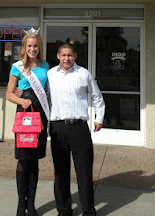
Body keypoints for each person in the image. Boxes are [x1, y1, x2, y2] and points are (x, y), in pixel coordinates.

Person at [47, 43, 105, 216]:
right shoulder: (50, 75)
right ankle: (64, 210)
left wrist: (99, 119)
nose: (66, 58)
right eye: (63, 55)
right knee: (60, 172)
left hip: (79, 128)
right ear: (58, 56)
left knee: (84, 172)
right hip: (58, 129)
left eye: (70, 55)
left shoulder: (83, 73)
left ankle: (88, 211)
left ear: (75, 56)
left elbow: (97, 97)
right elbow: (41, 96)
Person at [6, 28, 50, 216]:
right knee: (23, 159)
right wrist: (21, 100)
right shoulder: (18, 67)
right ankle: (20, 204)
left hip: (40, 113)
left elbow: (49, 91)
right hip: (24, 114)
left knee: (35, 161)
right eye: (29, 45)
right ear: (24, 47)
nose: (32, 49)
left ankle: (31, 205)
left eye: (35, 45)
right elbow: (9, 93)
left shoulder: (46, 66)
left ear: (39, 47)